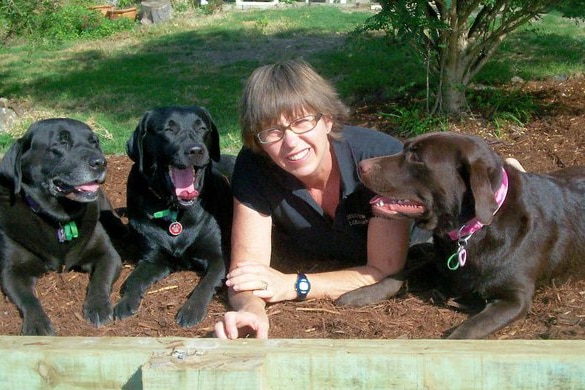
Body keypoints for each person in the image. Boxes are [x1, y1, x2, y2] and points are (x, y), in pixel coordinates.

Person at [214, 59, 423, 339]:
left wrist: (293, 285)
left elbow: (381, 270)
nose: (291, 142)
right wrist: (251, 308)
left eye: (301, 122)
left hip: (423, 258)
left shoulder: (378, 161)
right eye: (272, 131)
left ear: (326, 120)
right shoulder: (254, 166)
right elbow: (247, 273)